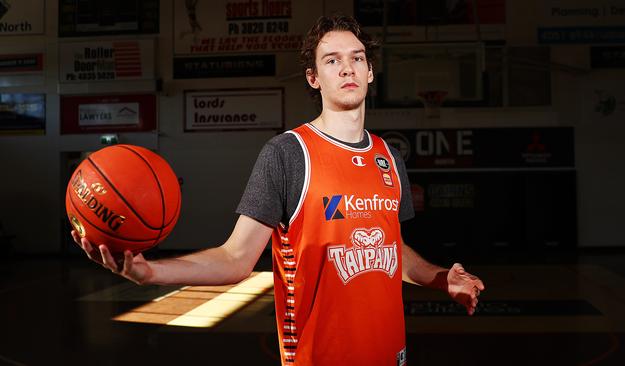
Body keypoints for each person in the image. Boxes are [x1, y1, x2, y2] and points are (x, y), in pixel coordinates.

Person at [72, 14, 485, 366]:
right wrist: (150, 273)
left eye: (357, 58)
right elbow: (235, 258)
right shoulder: (289, 153)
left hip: (391, 353)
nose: (347, 68)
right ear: (314, 77)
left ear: (370, 71)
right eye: (332, 60)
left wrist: (439, 278)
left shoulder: (388, 158)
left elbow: (392, 247)